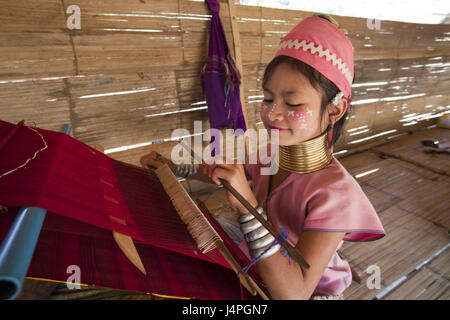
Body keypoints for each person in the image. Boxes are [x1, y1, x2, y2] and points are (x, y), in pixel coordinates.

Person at [140, 15, 385, 300]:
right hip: (262, 254)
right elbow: (226, 173)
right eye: (268, 99)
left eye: (292, 103)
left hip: (308, 290)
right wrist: (175, 168)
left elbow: (294, 294)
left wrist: (249, 207)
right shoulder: (272, 154)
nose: (272, 114)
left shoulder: (336, 195)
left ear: (335, 109)